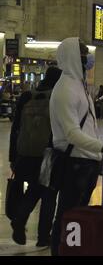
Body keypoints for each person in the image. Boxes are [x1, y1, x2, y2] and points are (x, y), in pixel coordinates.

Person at [49, 38, 103, 256]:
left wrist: (99, 154)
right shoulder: (64, 90)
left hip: (87, 161)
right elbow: (72, 134)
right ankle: (59, 251)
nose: (88, 57)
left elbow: (89, 125)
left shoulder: (78, 86)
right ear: (73, 56)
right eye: (83, 52)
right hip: (74, 163)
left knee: (78, 215)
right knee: (66, 215)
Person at [9, 67, 62, 247]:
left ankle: (20, 218)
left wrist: (12, 156)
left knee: (34, 188)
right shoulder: (56, 97)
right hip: (47, 154)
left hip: (25, 153)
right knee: (48, 194)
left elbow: (15, 128)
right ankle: (43, 237)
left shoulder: (26, 96)